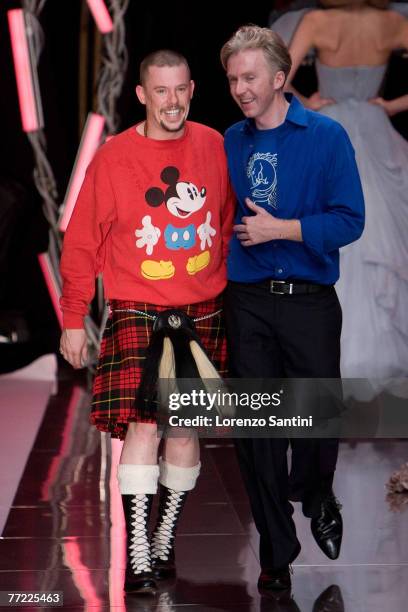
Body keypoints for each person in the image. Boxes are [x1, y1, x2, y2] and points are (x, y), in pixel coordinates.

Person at [59, 49, 234, 595]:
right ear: (141, 94)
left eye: (180, 89)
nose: (173, 101)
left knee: (183, 428)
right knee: (143, 426)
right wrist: (72, 319)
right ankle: (137, 551)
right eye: (161, 91)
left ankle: (162, 538)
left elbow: (226, 220)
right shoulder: (114, 156)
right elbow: (83, 240)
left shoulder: (215, 144)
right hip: (138, 306)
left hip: (201, 307)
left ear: (192, 89)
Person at [220, 25, 364, 591]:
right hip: (249, 300)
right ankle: (276, 553)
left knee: (315, 420)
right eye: (232, 79)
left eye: (250, 77)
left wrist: (283, 228)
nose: (240, 88)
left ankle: (318, 490)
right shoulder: (230, 139)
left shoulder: (327, 137)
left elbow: (350, 220)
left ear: (280, 79)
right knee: (257, 430)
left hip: (308, 301)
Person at [280, 0, 408, 393]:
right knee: (381, 239)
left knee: (331, 234)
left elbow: (276, 79)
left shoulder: (319, 20)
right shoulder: (393, 22)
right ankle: (387, 359)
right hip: (376, 131)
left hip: (329, 128)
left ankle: (330, 358)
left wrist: (308, 103)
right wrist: (392, 105)